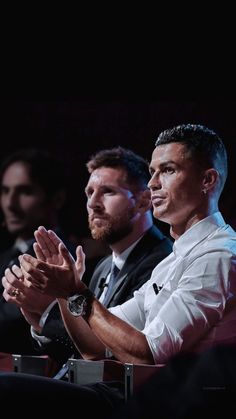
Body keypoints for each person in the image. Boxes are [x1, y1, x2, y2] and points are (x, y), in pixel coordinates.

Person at [1, 124, 236, 418]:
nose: (153, 184)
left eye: (168, 170)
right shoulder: (173, 260)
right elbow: (93, 347)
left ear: (208, 180)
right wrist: (64, 293)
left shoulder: (217, 256)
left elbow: (147, 354)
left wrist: (76, 292)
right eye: (152, 171)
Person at [2, 146, 173, 365]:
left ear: (143, 201)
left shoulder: (161, 262)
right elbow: (80, 352)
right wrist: (40, 322)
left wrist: (51, 310)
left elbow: (113, 352)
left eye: (108, 191)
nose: (93, 204)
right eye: (89, 193)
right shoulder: (103, 267)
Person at [0, 148, 75, 354]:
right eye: (5, 191)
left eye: (25, 191)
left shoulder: (64, 260)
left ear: (57, 199)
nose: (10, 204)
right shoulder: (5, 257)